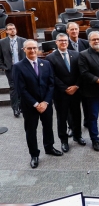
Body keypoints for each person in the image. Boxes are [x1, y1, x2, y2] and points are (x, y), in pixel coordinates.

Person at [14, 39, 63, 168]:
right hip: (30, 106)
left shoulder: (46, 64)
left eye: (34, 48)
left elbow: (51, 84)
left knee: (48, 127)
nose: (32, 51)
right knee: (31, 130)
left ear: (38, 49)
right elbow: (21, 89)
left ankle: (49, 147)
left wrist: (46, 102)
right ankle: (34, 154)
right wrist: (36, 104)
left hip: (46, 104)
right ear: (24, 50)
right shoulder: (18, 66)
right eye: (29, 48)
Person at [46, 33, 86, 153]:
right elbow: (52, 76)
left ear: (68, 42)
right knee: (62, 117)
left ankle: (77, 136)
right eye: (61, 41)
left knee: (77, 114)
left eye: (65, 41)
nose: (63, 42)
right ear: (56, 42)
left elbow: (81, 72)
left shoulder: (76, 54)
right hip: (60, 94)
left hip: (75, 91)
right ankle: (64, 141)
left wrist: (76, 86)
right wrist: (65, 88)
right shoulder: (50, 57)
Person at [0, 23, 26, 117]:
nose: (12, 30)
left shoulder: (23, 41)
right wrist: (3, 67)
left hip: (22, 67)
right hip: (10, 68)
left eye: (14, 28)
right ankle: (15, 108)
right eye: (10, 29)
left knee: (23, 86)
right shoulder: (2, 42)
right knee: (13, 87)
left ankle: (22, 106)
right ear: (6, 31)